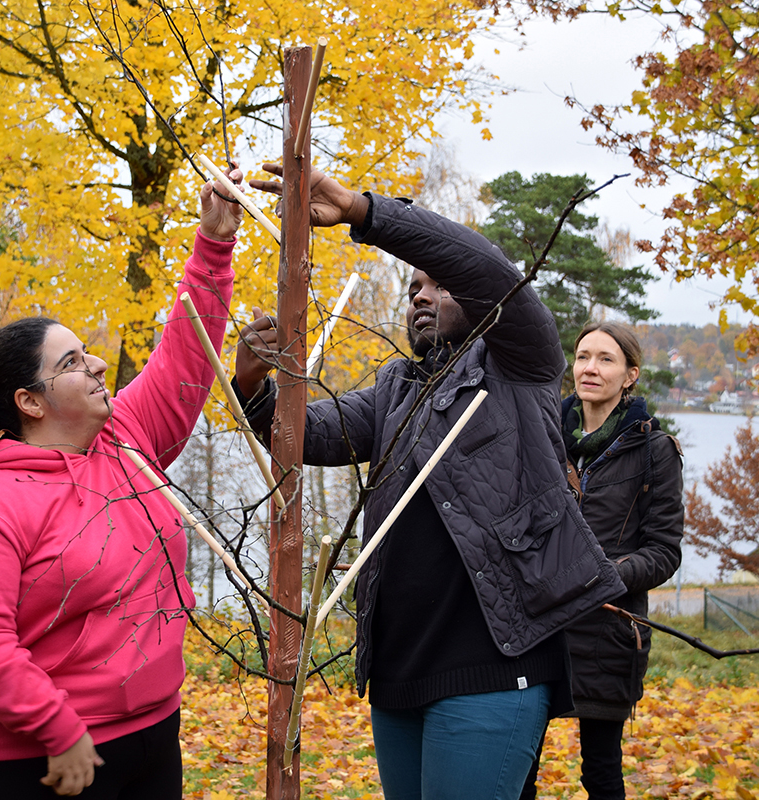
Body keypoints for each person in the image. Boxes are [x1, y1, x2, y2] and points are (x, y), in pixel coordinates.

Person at [233, 165, 627, 800]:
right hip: (400, 670)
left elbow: (489, 272)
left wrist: (367, 213)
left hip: (490, 669)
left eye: (438, 285)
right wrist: (253, 385)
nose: (420, 295)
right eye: (413, 288)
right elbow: (311, 433)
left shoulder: (519, 363)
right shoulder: (398, 388)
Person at [0, 169, 244, 799]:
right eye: (70, 362)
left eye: (86, 352)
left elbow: (184, 355)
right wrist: (59, 731)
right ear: (30, 403)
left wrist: (214, 244)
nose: (96, 363)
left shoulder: (126, 442)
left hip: (150, 736)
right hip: (30, 759)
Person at [520, 322, 684, 800]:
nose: (590, 368)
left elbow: (664, 551)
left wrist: (605, 576)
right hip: (538, 626)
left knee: (602, 774)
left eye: (606, 359)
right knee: (518, 770)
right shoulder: (545, 438)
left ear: (630, 375)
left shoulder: (654, 451)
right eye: (583, 356)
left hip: (608, 629)